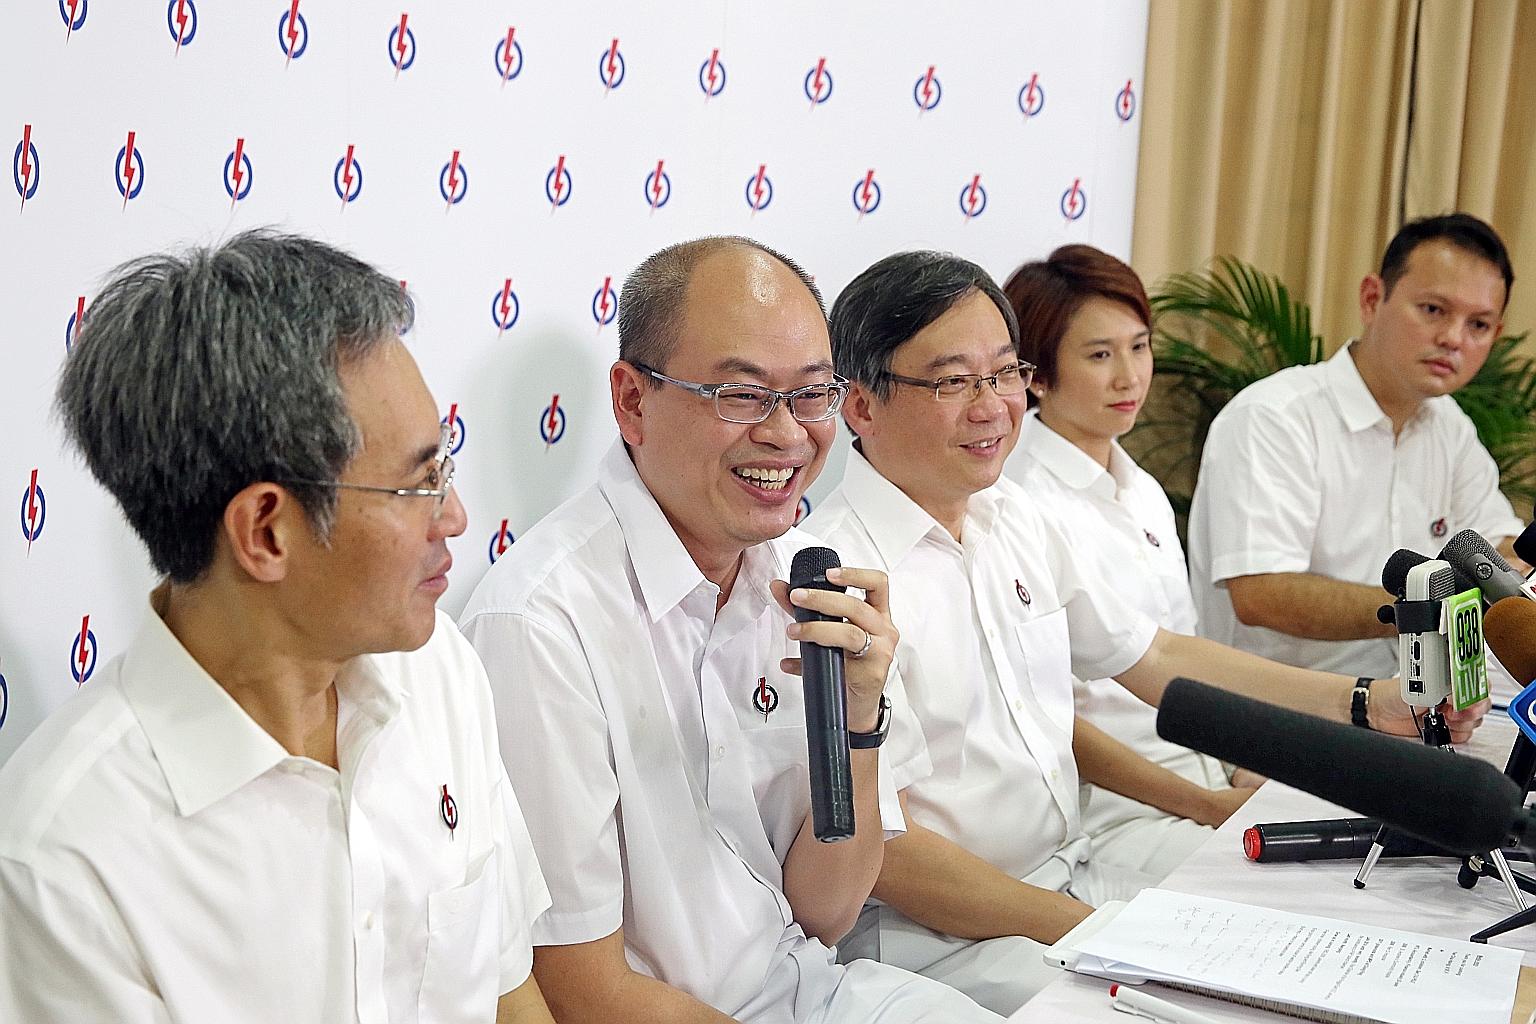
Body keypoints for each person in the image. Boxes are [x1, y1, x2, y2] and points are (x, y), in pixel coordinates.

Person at [807, 250, 1484, 1014]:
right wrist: (1105, 929)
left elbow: (1155, 655)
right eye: (955, 381)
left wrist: (1370, 702)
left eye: (1002, 373)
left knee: (1330, 943)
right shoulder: (837, 582)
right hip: (942, 937)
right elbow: (891, 859)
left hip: (1072, 873)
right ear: (860, 405)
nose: (994, 406)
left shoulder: (1011, 516)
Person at [0, 231, 555, 1024]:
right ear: (266, 532)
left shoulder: (439, 675)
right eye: (420, 483)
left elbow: (508, 994)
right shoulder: (63, 863)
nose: (456, 517)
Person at [459, 237, 1000, 1023]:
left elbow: (828, 912)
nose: (786, 434)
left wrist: (856, 723)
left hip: (823, 990)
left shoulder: (795, 577)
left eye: (812, 395)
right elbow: (585, 992)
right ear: (632, 400)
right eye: (741, 396)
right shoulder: (543, 622)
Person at [1000, 244, 1248, 884]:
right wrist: (1209, 806)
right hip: (1115, 815)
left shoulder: (1140, 486)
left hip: (1205, 779)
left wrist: (1239, 764)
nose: (1130, 377)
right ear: (1035, 374)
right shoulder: (1018, 502)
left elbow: (1184, 652)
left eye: (1139, 348)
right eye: (1100, 355)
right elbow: (1053, 718)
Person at [1188, 213, 1526, 680]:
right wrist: (1425, 604)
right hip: (1278, 715)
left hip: (1409, 707)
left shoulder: (1449, 426)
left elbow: (1499, 546)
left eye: (1479, 325)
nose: (1454, 339)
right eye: (1433, 310)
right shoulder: (1274, 416)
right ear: (1372, 299)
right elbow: (1261, 593)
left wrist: (1513, 569)